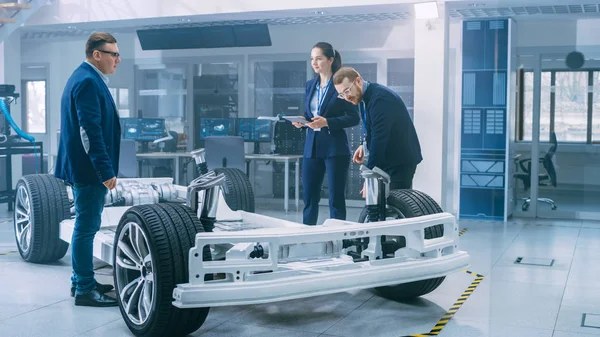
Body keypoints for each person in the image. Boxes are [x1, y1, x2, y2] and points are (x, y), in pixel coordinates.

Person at [54, 32, 121, 307]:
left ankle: (81, 281)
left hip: (84, 168)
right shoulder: (87, 82)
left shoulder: (86, 78)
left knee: (85, 225)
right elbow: (89, 131)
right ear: (97, 54)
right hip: (89, 171)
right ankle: (84, 290)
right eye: (113, 54)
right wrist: (104, 171)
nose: (118, 60)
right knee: (86, 227)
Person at [291, 42, 360, 225]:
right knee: (309, 196)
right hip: (312, 147)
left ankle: (338, 239)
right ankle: (306, 235)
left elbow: (354, 117)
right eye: (312, 58)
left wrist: (328, 122)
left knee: (336, 198)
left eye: (319, 58)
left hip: (334, 148)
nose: (314, 62)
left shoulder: (340, 85)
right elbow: (311, 114)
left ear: (330, 60)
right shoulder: (310, 84)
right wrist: (303, 121)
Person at [333, 67, 422, 193]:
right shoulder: (366, 97)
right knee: (384, 204)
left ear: (358, 81)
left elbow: (379, 138)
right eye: (342, 94)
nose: (347, 97)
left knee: (395, 204)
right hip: (390, 157)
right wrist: (364, 145)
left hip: (399, 161)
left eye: (347, 91)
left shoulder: (380, 99)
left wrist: (370, 176)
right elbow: (373, 129)